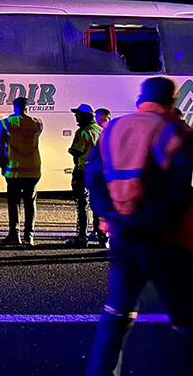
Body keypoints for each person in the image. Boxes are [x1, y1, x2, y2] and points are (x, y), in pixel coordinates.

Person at [85, 77, 193, 375]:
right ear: (171, 101)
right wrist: (148, 222)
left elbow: (93, 178)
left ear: (140, 99)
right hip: (166, 240)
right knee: (184, 319)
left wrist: (112, 214)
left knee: (117, 311)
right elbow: (179, 191)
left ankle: (100, 372)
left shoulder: (113, 129)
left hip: (122, 236)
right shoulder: (176, 132)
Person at [0, 97, 43, 246]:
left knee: (14, 202)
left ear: (14, 107)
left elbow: (0, 147)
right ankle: (29, 236)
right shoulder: (37, 123)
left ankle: (14, 234)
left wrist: (2, 164)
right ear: (28, 108)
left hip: (14, 170)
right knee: (30, 203)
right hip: (33, 170)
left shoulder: (6, 123)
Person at [67, 103, 105, 249]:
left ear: (86, 116)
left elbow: (76, 150)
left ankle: (81, 236)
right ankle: (102, 236)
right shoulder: (101, 131)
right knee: (97, 205)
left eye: (78, 114)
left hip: (83, 171)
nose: (76, 117)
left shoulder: (83, 132)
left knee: (82, 204)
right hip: (99, 173)